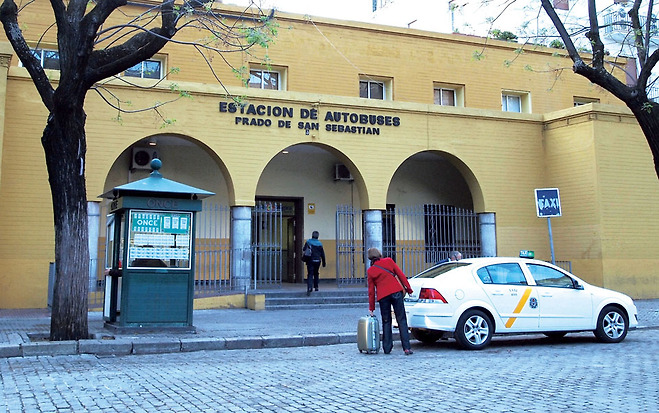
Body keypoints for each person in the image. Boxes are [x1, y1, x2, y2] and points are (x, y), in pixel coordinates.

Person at [366, 247, 414, 355]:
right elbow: (401, 275)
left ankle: (387, 348)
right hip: (396, 292)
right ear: (379, 254)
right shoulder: (389, 261)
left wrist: (371, 308)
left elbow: (371, 291)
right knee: (401, 320)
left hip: (383, 297)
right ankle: (406, 348)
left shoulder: (370, 271)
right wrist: (408, 288)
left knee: (386, 321)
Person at [302, 231, 326, 296]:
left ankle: (309, 287)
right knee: (316, 273)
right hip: (318, 261)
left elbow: (304, 250)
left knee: (310, 274)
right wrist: (324, 262)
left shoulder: (308, 242)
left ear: (312, 235)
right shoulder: (320, 244)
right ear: (318, 236)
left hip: (310, 260)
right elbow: (322, 254)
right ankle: (316, 287)